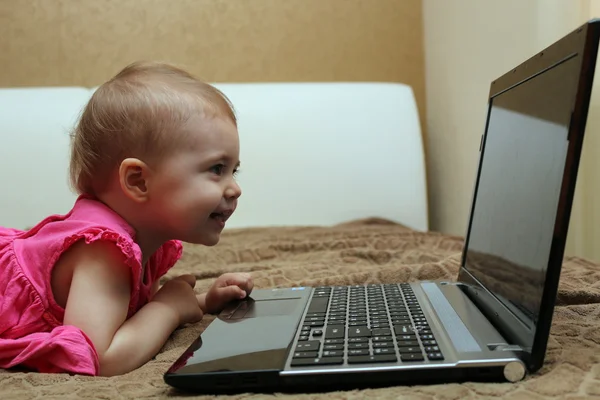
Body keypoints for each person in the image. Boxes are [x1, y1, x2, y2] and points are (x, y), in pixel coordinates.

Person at [0, 61, 253, 377]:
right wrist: (169, 308)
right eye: (217, 169)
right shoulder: (103, 251)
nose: (235, 188)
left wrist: (199, 303)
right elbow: (99, 358)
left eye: (234, 170)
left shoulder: (147, 238)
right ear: (138, 181)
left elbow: (131, 317)